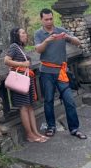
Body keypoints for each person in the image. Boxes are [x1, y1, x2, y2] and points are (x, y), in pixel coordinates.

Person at [34, 9, 87, 140]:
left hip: (61, 71)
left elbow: (77, 42)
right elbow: (38, 49)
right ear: (41, 20)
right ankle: (51, 126)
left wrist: (67, 37)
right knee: (48, 100)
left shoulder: (60, 30)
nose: (49, 21)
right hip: (46, 72)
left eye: (51, 19)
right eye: (46, 19)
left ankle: (74, 128)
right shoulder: (38, 33)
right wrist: (47, 40)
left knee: (69, 100)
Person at [4, 28, 46, 143]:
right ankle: (29, 135)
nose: (25, 35)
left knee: (30, 106)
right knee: (23, 107)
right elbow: (6, 61)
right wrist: (22, 64)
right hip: (19, 81)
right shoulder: (14, 47)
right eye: (22, 33)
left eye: (25, 33)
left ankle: (35, 132)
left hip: (27, 80)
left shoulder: (21, 47)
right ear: (16, 35)